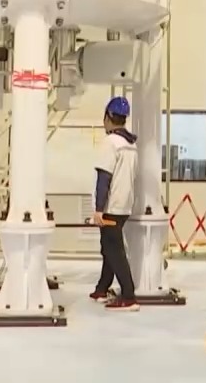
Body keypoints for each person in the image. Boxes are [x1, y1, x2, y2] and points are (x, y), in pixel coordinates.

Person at [89, 95, 140, 311]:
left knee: (114, 250)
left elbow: (104, 177)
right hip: (125, 206)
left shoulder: (110, 143)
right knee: (109, 248)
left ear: (108, 117)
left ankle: (129, 296)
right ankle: (102, 288)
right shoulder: (130, 145)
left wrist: (99, 209)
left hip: (111, 206)